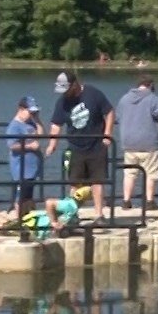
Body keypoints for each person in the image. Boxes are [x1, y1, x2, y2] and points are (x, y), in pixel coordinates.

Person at [46, 71, 114, 219]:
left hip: (96, 144)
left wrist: (107, 134)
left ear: (74, 85)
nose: (65, 93)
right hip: (75, 146)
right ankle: (72, 214)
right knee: (75, 183)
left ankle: (99, 214)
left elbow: (109, 112)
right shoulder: (62, 102)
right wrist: (52, 144)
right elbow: (56, 124)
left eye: (66, 89)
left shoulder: (93, 93)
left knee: (97, 181)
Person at [115, 74, 158, 210]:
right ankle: (150, 201)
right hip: (148, 142)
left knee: (129, 173)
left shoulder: (124, 99)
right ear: (151, 85)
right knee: (151, 172)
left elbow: (118, 116)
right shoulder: (152, 98)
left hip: (129, 142)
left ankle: (126, 201)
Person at [5, 96, 44, 216]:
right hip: (21, 168)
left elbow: (41, 135)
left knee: (29, 195)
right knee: (21, 195)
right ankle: (19, 218)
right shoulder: (14, 126)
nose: (32, 114)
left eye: (34, 112)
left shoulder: (31, 123)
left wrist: (37, 120)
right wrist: (29, 146)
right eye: (30, 112)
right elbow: (12, 145)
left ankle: (28, 216)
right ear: (21, 109)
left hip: (32, 168)